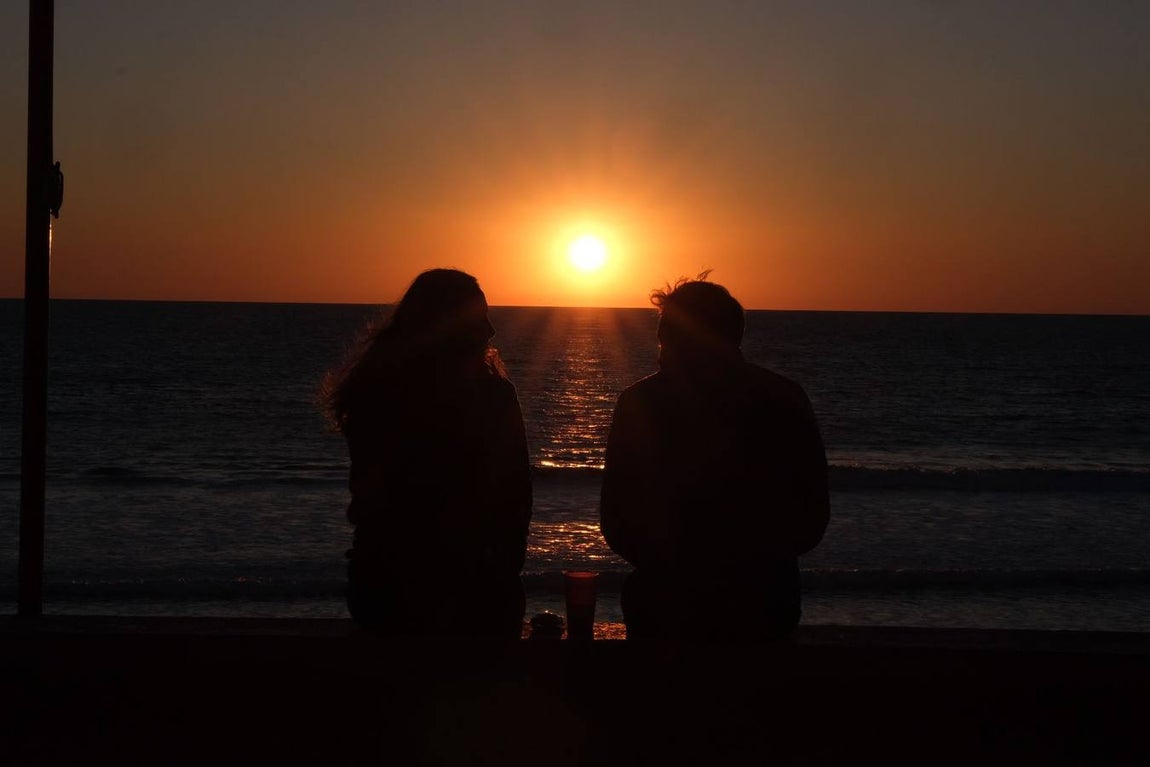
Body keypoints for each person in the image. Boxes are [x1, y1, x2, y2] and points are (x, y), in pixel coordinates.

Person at [599, 275, 829, 640]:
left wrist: (666, 564)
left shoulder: (641, 403)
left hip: (668, 599)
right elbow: (811, 512)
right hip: (764, 599)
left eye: (667, 329)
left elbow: (617, 514)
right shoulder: (783, 396)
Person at [321, 269, 532, 638]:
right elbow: (514, 498)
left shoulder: (375, 392)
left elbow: (372, 498)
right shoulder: (490, 397)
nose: (491, 331)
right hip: (461, 590)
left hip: (384, 584)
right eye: (479, 319)